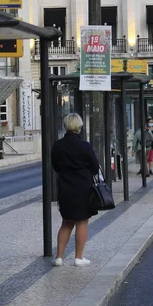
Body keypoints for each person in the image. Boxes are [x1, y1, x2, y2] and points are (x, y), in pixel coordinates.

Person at [51, 113, 99, 267]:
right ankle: (78, 257)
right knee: (82, 222)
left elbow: (56, 166)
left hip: (65, 188)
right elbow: (94, 167)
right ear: (79, 127)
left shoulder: (57, 145)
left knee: (66, 222)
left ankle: (59, 257)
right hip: (83, 188)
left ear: (65, 126)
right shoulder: (84, 146)